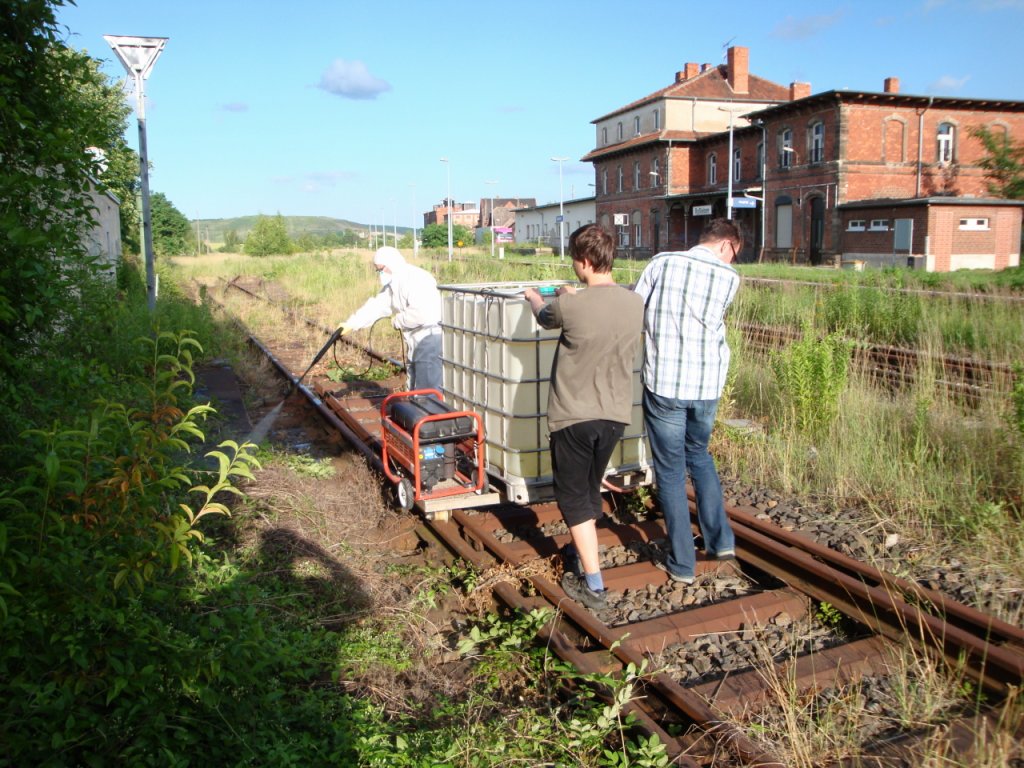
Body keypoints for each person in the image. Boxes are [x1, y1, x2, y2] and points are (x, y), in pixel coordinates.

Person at [523, 224, 643, 610]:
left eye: (575, 260)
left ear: (586, 262)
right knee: (589, 489)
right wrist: (570, 294)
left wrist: (532, 297)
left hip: (574, 417)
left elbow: (546, 316)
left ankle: (593, 586)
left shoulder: (571, 305)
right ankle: (581, 553)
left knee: (573, 499)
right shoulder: (634, 302)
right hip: (613, 417)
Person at [633, 218, 740, 585]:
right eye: (735, 254)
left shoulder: (663, 263)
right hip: (707, 384)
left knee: (671, 471)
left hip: (666, 383)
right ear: (727, 245)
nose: (733, 261)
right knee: (700, 455)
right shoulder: (730, 278)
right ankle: (721, 542)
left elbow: (635, 309)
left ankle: (682, 564)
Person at [340, 246, 443, 392]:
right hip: (415, 337)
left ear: (391, 264)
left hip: (429, 337)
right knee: (415, 379)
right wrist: (351, 323)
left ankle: (430, 412)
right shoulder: (394, 283)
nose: (380, 273)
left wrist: (398, 321)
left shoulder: (416, 278)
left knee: (428, 383)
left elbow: (421, 313)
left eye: (380, 269)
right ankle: (416, 411)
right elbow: (377, 306)